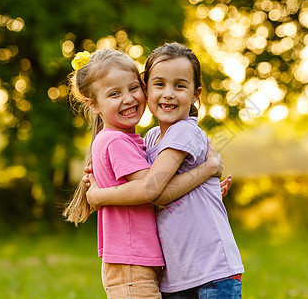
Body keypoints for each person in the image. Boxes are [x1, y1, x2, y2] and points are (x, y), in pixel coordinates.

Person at [62, 49, 227, 298]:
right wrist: (208, 170)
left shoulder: (136, 140)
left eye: (132, 88)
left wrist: (200, 194)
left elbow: (156, 188)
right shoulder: (117, 141)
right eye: (114, 93)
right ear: (93, 104)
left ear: (142, 87)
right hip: (132, 263)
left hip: (137, 261)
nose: (128, 99)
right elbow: (153, 191)